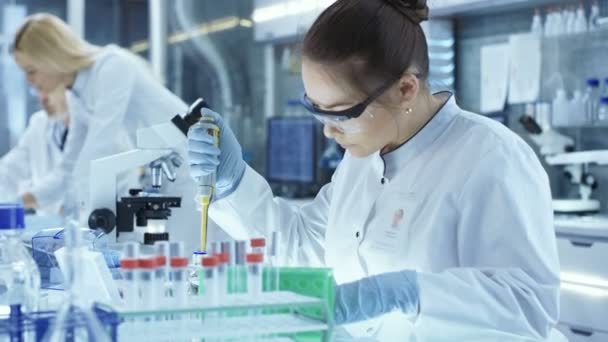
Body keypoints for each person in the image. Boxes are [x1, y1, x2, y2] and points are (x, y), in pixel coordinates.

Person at [188, 0, 565, 340]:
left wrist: (406, 293)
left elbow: (527, 307)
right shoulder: (361, 160)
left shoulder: (490, 156)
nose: (327, 130)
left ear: (405, 89)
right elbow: (304, 247)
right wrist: (233, 184)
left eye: (342, 114)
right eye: (315, 108)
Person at [10, 14, 205, 249]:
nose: (29, 81)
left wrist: (80, 224)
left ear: (52, 56)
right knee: (165, 262)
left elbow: (100, 147)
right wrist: (16, 203)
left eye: (31, 70)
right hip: (162, 174)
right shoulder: (76, 96)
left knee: (188, 263)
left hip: (192, 166)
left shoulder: (112, 66)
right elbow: (68, 168)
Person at [0, 91, 69, 215]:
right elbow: (9, 171)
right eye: (38, 89)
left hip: (88, 226)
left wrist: (19, 202)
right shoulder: (39, 123)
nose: (42, 98)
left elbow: (64, 179)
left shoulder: (93, 122)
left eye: (48, 88)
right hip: (48, 227)